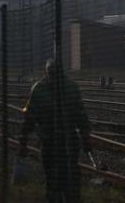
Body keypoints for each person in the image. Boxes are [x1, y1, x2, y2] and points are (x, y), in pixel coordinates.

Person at [19, 59, 92, 203]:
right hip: (64, 140)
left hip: (53, 140)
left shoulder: (39, 88)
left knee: (55, 177)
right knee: (67, 176)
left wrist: (24, 139)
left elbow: (29, 117)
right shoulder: (70, 88)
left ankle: (58, 197)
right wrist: (86, 138)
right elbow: (81, 116)